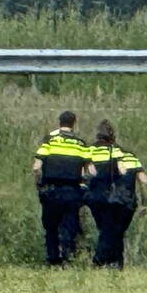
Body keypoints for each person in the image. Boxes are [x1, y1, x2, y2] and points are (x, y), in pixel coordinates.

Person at [32, 111, 95, 266]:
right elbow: (92, 171)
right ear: (74, 123)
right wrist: (86, 185)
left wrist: (39, 186)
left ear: (59, 123)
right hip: (72, 191)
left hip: (51, 191)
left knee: (51, 227)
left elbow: (36, 167)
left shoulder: (49, 141)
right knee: (69, 226)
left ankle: (53, 259)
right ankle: (68, 259)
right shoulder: (81, 144)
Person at [85, 120, 147, 269]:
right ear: (114, 137)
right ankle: (116, 264)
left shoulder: (90, 152)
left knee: (107, 230)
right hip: (127, 202)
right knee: (117, 231)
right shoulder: (129, 155)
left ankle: (99, 261)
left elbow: (87, 173)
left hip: (100, 199)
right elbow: (143, 181)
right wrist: (145, 203)